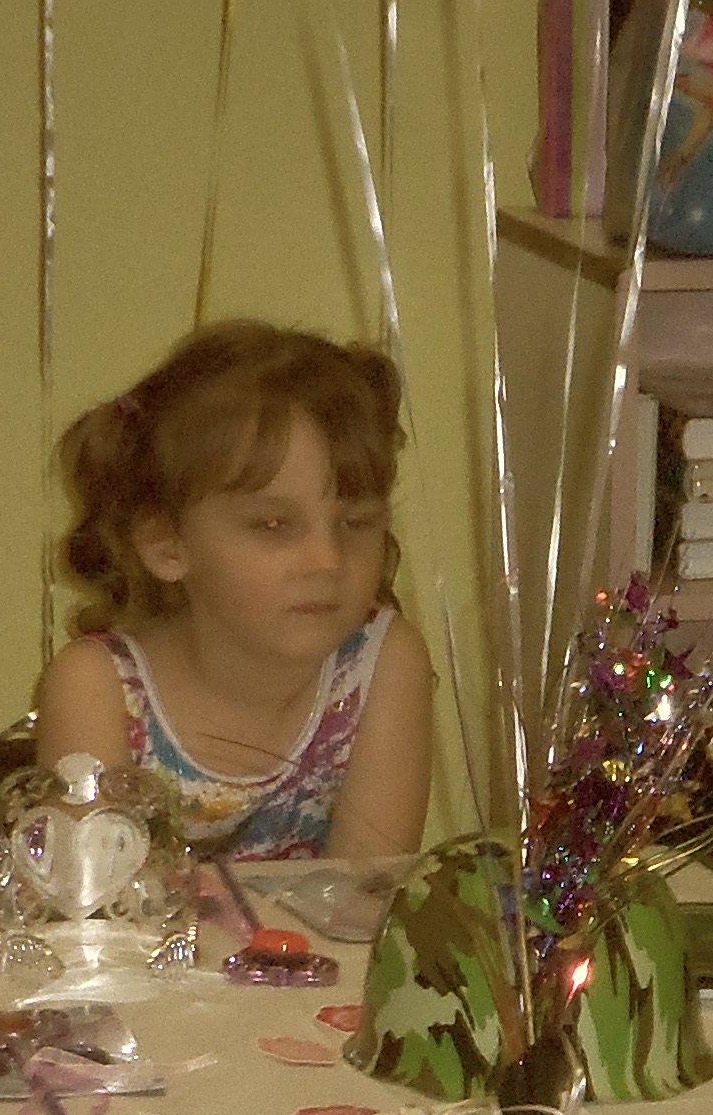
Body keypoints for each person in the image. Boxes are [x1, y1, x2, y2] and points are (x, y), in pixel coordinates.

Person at [32, 321, 436, 862]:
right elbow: (94, 899)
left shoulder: (383, 663)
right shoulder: (98, 687)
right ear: (166, 546)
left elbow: (372, 892)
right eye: (273, 525)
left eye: (356, 522)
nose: (328, 560)